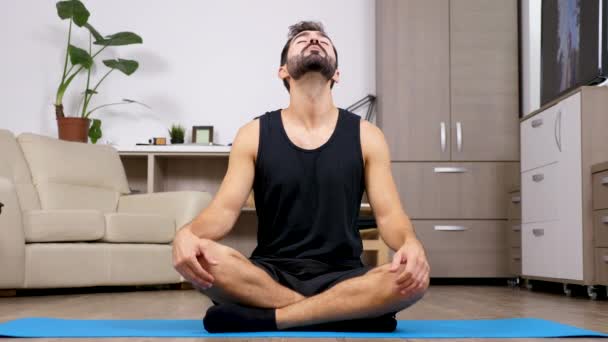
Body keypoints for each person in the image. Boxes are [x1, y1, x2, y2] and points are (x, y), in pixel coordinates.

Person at [172, 21, 430, 333]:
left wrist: (411, 243)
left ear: (336, 73)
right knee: (207, 255)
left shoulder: (368, 136)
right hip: (268, 274)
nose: (313, 41)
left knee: (414, 279)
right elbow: (223, 212)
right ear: (283, 71)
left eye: (323, 40)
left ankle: (271, 318)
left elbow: (390, 216)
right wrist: (187, 234)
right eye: (303, 40)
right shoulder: (253, 134)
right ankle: (345, 312)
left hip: (344, 274)